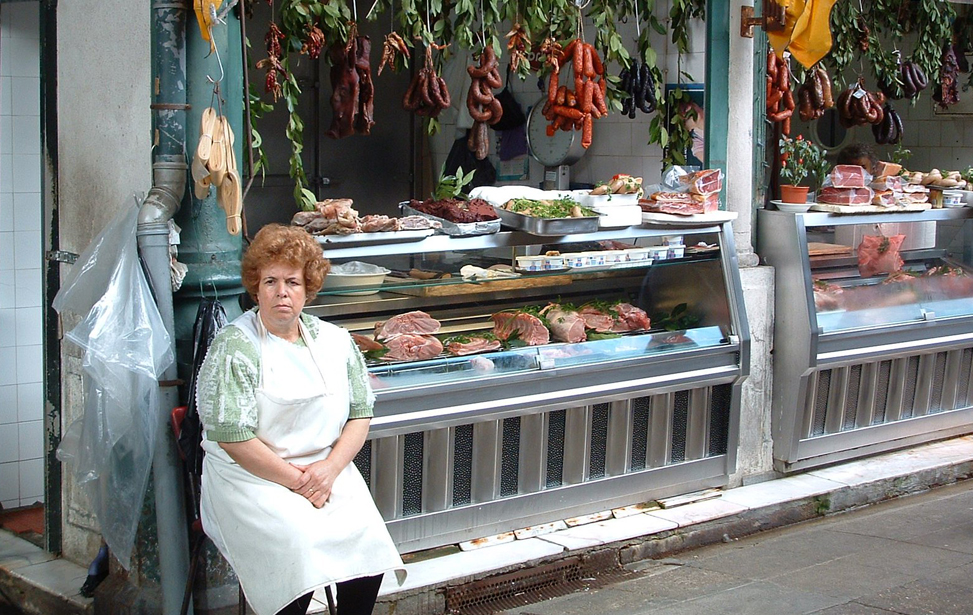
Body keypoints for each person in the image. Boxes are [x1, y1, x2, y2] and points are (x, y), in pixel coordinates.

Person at [196, 224, 405, 615]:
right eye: (270, 281)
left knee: (367, 537)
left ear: (308, 287)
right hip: (251, 479)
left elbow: (361, 413)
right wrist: (298, 482)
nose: (281, 292)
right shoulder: (235, 346)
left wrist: (327, 471)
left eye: (292, 281)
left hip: (325, 471)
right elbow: (233, 437)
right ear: (255, 287)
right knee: (297, 545)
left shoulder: (335, 341)